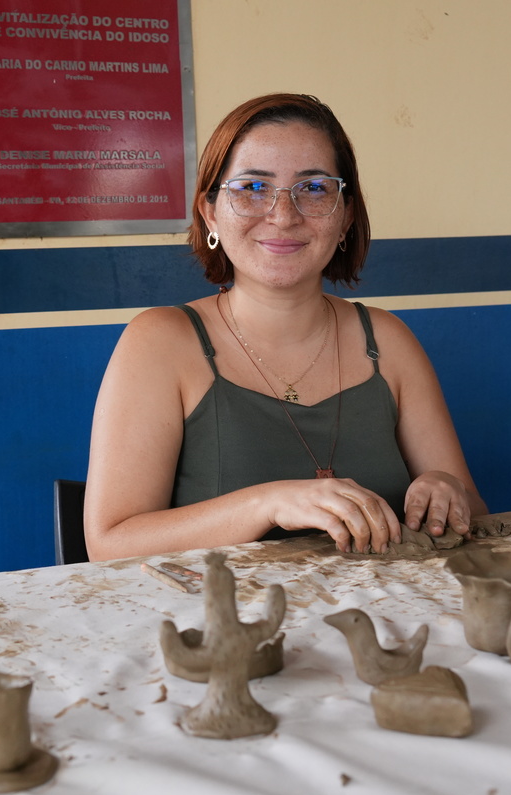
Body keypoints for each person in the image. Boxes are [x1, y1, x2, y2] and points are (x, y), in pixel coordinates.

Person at [84, 93, 486, 560]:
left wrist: (446, 489)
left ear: (346, 215)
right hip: (221, 626)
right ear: (210, 212)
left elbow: (473, 511)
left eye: (314, 187)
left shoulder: (389, 341)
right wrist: (269, 502)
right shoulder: (160, 341)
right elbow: (110, 544)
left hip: (382, 624)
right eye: (253, 188)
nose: (282, 214)